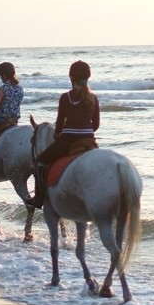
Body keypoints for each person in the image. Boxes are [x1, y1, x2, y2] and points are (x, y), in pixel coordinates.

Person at [26, 60, 100, 209]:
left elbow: (59, 126)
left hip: (68, 141)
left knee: (40, 162)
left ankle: (38, 199)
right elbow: (96, 125)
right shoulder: (94, 98)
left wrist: (59, 136)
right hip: (89, 140)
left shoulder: (65, 98)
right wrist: (84, 130)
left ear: (71, 78)